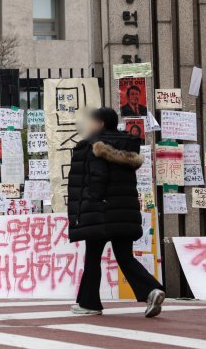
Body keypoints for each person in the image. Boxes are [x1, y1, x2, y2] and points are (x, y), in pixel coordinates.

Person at [66, 107, 164, 317]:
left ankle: (90, 304)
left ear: (100, 123)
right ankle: (152, 290)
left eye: (91, 120)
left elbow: (97, 177)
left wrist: (90, 202)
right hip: (124, 213)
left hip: (99, 212)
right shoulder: (128, 145)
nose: (88, 124)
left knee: (92, 258)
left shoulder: (91, 146)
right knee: (125, 256)